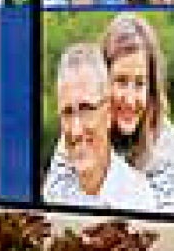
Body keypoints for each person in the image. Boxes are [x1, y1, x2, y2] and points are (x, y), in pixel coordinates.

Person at [45, 13, 174, 213]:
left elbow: (165, 223)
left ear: (151, 90)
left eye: (140, 83)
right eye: (121, 81)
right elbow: (54, 198)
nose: (130, 99)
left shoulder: (167, 148)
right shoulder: (79, 130)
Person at [43, 42, 159, 211]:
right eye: (67, 113)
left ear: (109, 112)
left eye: (86, 109)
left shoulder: (138, 200)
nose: (75, 130)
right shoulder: (53, 191)